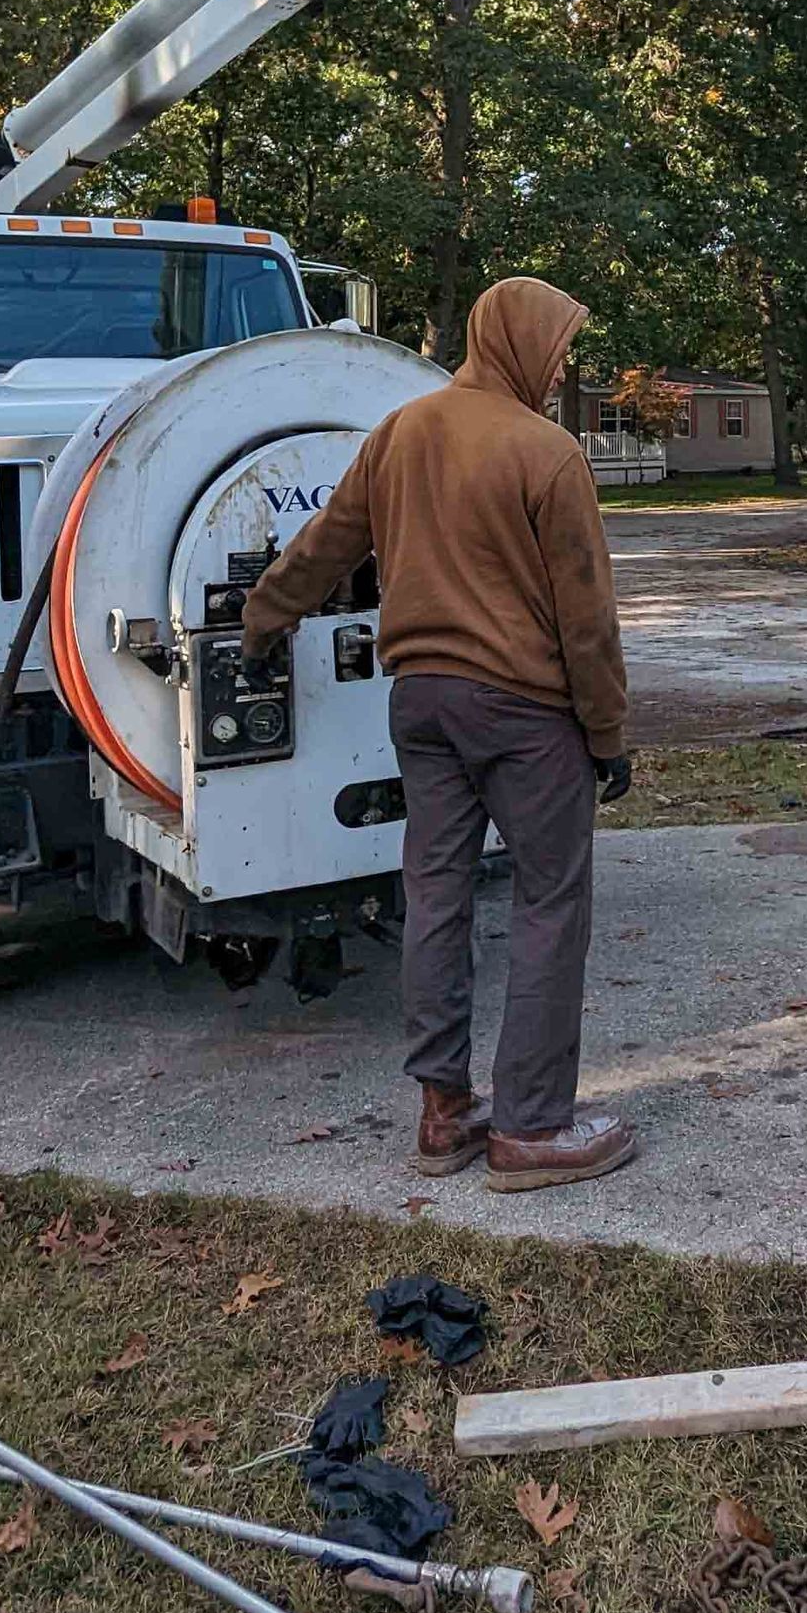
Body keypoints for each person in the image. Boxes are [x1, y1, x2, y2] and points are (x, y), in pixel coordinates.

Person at [239, 276, 637, 1192]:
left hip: (419, 703)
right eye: (561, 344)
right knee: (548, 903)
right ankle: (533, 1127)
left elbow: (323, 549)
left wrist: (264, 622)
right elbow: (587, 621)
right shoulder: (547, 453)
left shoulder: (401, 432)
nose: (564, 362)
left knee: (437, 896)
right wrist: (607, 735)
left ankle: (444, 1111)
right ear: (525, 343)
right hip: (525, 713)